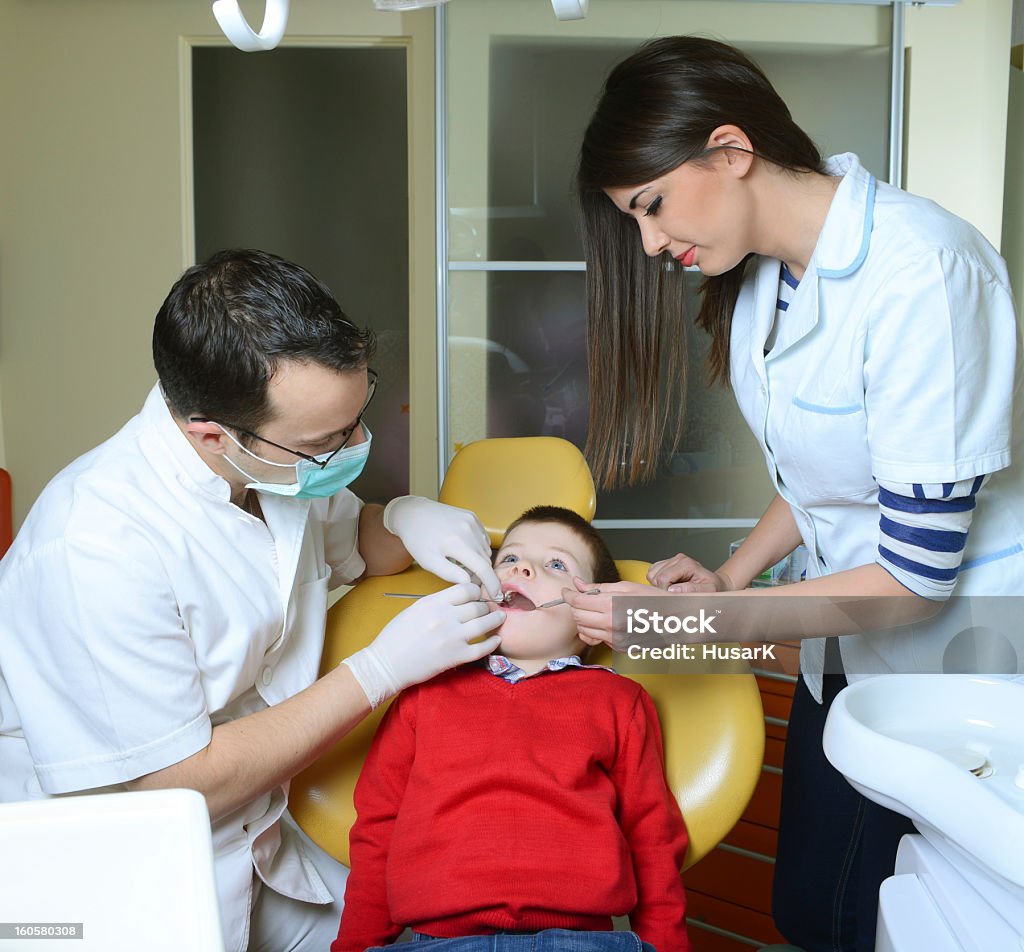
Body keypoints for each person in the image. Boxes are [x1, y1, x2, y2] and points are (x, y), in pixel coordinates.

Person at [566, 36, 1024, 952]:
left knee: (877, 915)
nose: (652, 243)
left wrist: (666, 626)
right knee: (809, 907)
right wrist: (733, 579)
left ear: (731, 151)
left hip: (955, 653)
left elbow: (917, 577)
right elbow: (823, 480)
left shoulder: (921, 272)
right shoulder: (760, 279)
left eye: (651, 207)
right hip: (844, 642)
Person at [0, 249, 508, 952]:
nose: (356, 446)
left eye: (356, 419)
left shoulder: (269, 464)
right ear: (211, 433)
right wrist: (381, 669)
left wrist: (404, 519)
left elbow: (349, 542)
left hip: (263, 840)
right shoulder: (93, 546)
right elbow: (177, 785)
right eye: (328, 441)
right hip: (125, 878)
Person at [333, 506, 691, 952]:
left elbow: (652, 837)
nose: (523, 567)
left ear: (595, 619)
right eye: (509, 559)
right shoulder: (422, 693)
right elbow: (378, 828)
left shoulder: (620, 702)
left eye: (556, 564)